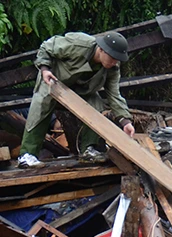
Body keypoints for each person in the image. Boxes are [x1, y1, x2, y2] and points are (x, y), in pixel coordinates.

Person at [17, 31, 135, 168]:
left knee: (97, 106)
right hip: (54, 79)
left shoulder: (113, 68)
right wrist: (45, 69)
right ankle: (27, 155)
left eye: (118, 59)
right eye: (112, 57)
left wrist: (125, 121)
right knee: (41, 105)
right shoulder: (79, 44)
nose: (114, 62)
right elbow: (47, 47)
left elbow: (114, 94)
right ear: (101, 49)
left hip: (82, 89)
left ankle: (88, 150)